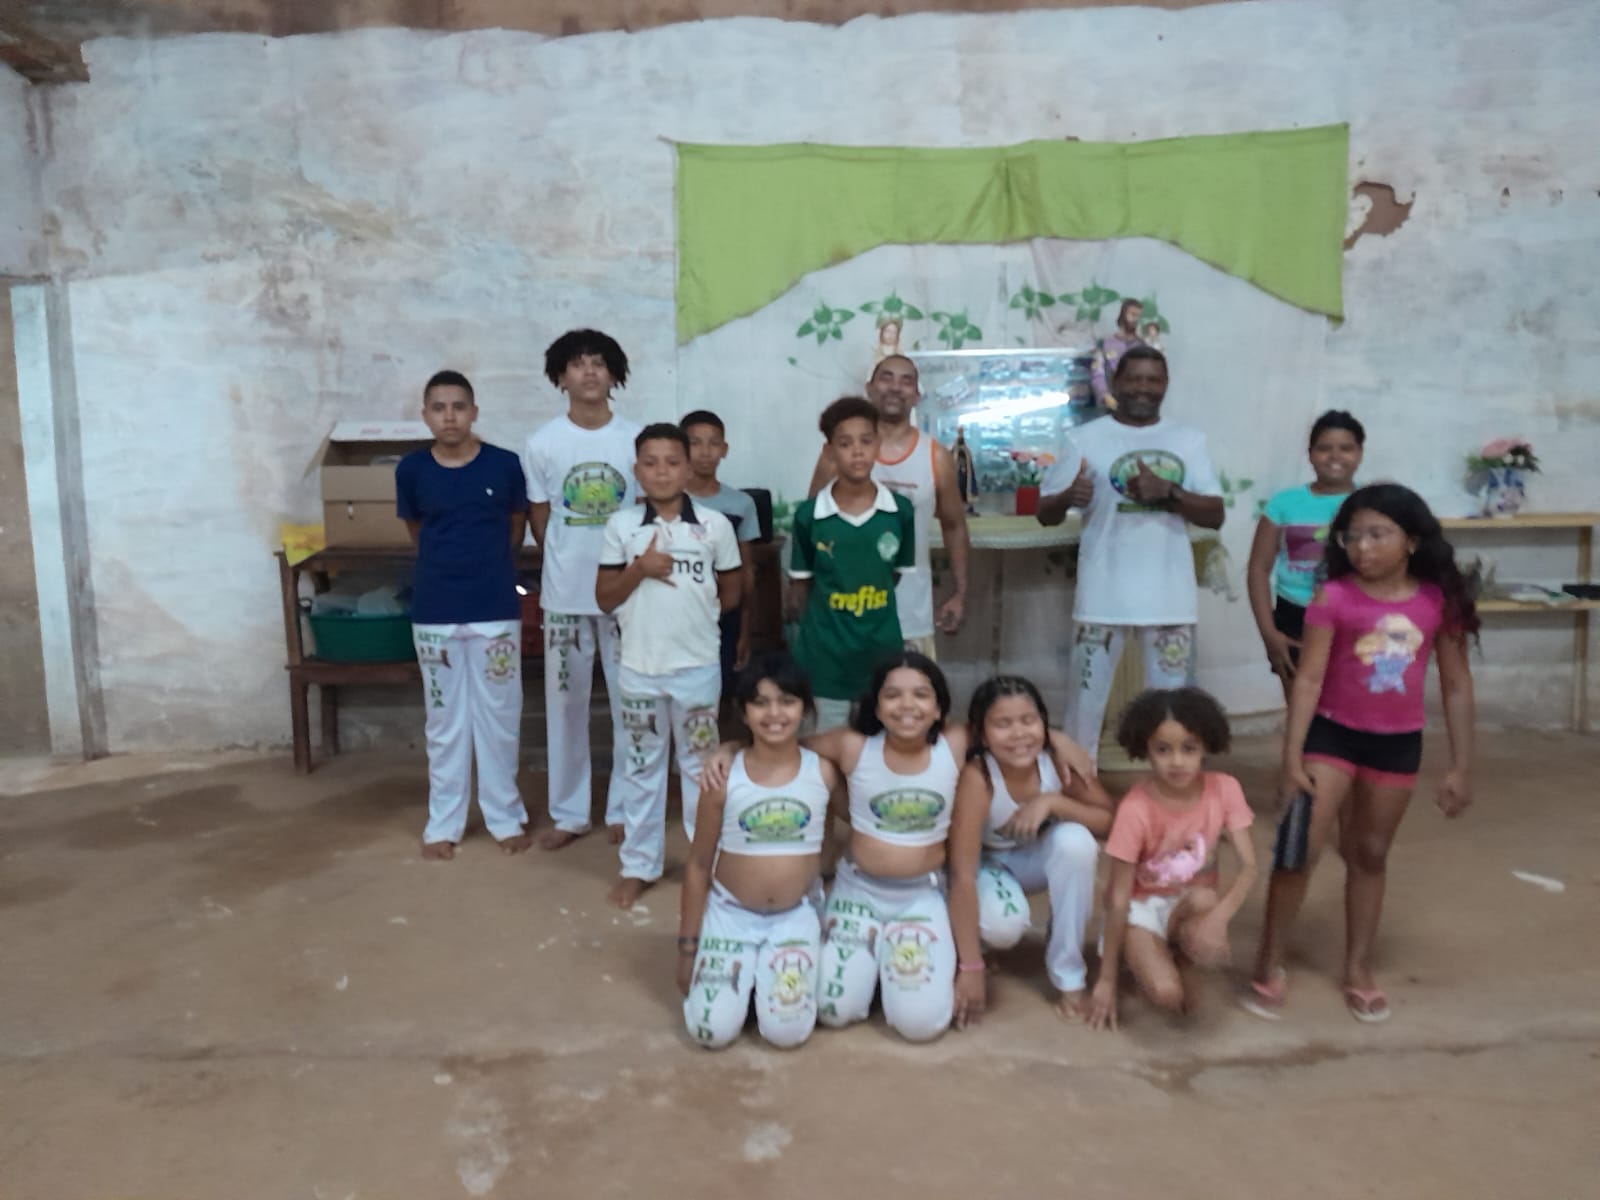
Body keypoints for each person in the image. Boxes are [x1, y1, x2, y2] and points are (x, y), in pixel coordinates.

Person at [1245, 484, 1477, 1025]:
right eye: (1352, 537)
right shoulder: (1334, 598)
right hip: (1330, 736)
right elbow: (1308, 680)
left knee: (1370, 853)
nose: (1362, 548)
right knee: (1298, 848)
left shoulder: (1436, 602)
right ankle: (1269, 958)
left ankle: (1358, 968)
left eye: (1378, 535)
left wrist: (1462, 766)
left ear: (1411, 540)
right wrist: (1291, 758)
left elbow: (1457, 685)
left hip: (1397, 744)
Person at [1038, 346, 1225, 760]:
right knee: (1084, 709)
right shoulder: (1083, 439)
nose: (1143, 387)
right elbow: (1045, 514)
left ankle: (1173, 784)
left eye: (1153, 379)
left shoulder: (1188, 440)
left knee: (1174, 709)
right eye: (1134, 378)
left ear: (1166, 385)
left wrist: (1170, 492)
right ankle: (1078, 784)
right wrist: (1068, 497)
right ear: (1116, 383)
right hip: (1101, 597)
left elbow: (1215, 515)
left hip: (1169, 598)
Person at [596, 424, 742, 909]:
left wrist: (700, 620)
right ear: (636, 470)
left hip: (696, 667)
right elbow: (604, 597)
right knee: (641, 767)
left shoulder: (715, 526)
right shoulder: (621, 527)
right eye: (651, 462)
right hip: (639, 668)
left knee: (701, 769)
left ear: (688, 467)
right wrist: (640, 569)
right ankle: (639, 866)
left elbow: (732, 589)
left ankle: (707, 863)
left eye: (672, 462)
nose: (662, 472)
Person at [395, 370, 532, 860]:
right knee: (444, 721)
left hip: (494, 607)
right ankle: (444, 823)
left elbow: (515, 528)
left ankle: (505, 816)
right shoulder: (412, 470)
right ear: (425, 415)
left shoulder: (505, 465)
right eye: (439, 407)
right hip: (436, 611)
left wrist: (486, 568)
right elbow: (417, 531)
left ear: (474, 412)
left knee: (500, 716)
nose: (449, 416)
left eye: (458, 406)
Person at [677, 654, 842, 1049]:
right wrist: (688, 948)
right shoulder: (722, 778)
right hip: (731, 913)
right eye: (760, 703)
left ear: (805, 709)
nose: (774, 714)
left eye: (787, 701)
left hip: (795, 914)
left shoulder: (822, 772)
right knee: (710, 1031)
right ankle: (744, 982)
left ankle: (762, 983)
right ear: (743, 712)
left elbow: (858, 828)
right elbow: (698, 866)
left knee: (787, 1034)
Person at [523, 329, 641, 851]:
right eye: (577, 364)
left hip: (626, 594)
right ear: (560, 377)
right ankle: (569, 814)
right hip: (565, 596)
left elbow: (647, 513)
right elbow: (541, 518)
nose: (589, 372)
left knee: (629, 703)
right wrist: (568, 558)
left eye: (599, 363)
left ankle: (625, 809)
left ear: (615, 375)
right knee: (565, 707)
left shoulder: (636, 440)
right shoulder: (542, 443)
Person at [1085, 688, 1258, 1031]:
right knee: (1168, 994)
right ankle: (1140, 950)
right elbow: (1118, 896)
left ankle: (1177, 948)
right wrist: (1106, 979)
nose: (1177, 761)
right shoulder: (1135, 808)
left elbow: (1250, 867)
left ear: (1206, 746)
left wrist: (1218, 920)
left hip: (1190, 900)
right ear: (1145, 749)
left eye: (1189, 748)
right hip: (1140, 908)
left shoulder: (1225, 789)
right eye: (1163, 750)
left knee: (1205, 904)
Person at [946, 675, 1113, 1020]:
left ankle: (1069, 975)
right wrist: (970, 963)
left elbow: (1110, 820)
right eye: (1003, 724)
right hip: (989, 865)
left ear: (1044, 724)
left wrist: (1053, 802)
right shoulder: (980, 776)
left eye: (1028, 720)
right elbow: (962, 872)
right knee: (1003, 925)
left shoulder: (1055, 763)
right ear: (981, 734)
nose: (1019, 734)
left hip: (1033, 859)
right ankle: (979, 939)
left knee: (1076, 843)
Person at [807, 355, 972, 657]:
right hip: (844, 612)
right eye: (886, 377)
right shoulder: (838, 453)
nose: (896, 387)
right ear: (869, 389)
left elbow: (954, 526)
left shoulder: (935, 456)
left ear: (917, 396)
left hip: (910, 613)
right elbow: (811, 524)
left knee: (910, 687)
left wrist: (960, 592)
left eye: (906, 381)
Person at [789, 397, 916, 731]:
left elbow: (894, 575)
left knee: (879, 746)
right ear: (829, 451)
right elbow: (800, 588)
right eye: (845, 444)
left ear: (878, 445)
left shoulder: (900, 512)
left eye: (866, 441)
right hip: (824, 661)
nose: (857, 452)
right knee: (824, 748)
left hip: (880, 654)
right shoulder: (809, 516)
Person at [1248, 411, 1366, 700]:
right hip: (1295, 616)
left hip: (1356, 615)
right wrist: (1269, 633)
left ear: (1360, 453)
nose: (1334, 456)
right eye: (1324, 448)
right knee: (1302, 708)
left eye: (1346, 448)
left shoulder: (1371, 502)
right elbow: (1258, 569)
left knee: (1350, 706)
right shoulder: (1285, 503)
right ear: (1310, 454)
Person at [679, 410, 761, 696]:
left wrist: (745, 631)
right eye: (695, 443)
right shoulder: (667, 501)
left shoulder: (740, 504)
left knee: (723, 691)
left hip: (724, 614)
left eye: (713, 443)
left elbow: (746, 572)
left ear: (724, 449)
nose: (705, 452)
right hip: (679, 613)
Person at [1089, 298, 1145, 406]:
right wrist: (1104, 395)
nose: (1135, 319)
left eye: (1138, 316)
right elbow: (1097, 372)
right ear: (1123, 315)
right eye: (1133, 314)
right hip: (1112, 400)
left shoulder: (1143, 345)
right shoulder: (1104, 343)